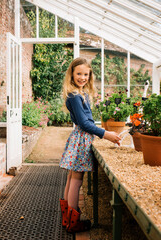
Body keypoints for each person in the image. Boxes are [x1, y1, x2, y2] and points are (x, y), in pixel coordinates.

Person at [59, 57, 121, 233]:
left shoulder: (81, 93)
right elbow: (84, 124)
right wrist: (106, 134)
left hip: (80, 137)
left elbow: (87, 121)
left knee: (72, 178)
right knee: (76, 180)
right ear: (72, 74)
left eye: (86, 74)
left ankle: (67, 218)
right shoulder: (74, 96)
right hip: (81, 138)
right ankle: (74, 221)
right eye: (79, 73)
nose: (82, 77)